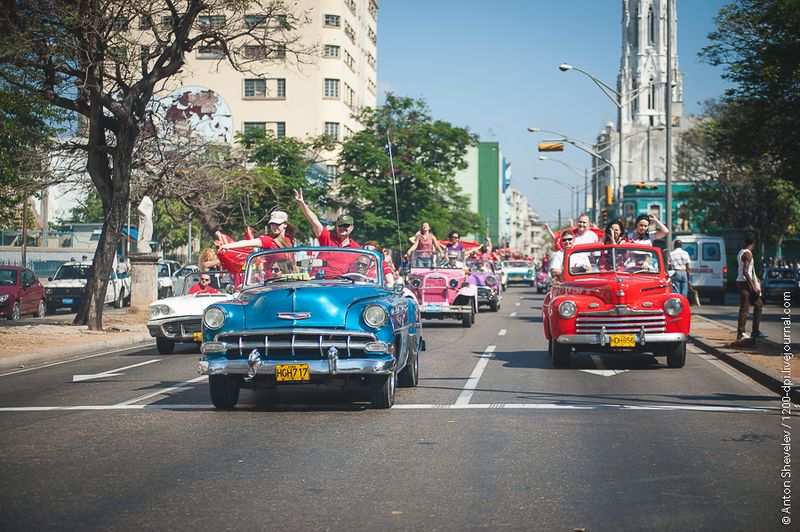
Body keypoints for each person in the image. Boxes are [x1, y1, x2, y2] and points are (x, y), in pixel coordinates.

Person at [736, 232, 766, 342]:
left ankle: (755, 331)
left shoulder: (742, 252)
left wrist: (756, 278)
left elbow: (749, 270)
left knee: (758, 304)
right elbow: (745, 271)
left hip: (743, 282)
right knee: (745, 307)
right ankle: (741, 333)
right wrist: (753, 286)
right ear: (754, 242)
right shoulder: (748, 254)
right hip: (744, 283)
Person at [218, 210, 295, 252]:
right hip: (272, 280)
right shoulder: (268, 239)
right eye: (272, 224)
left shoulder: (289, 239)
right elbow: (247, 243)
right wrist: (228, 246)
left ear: (285, 224)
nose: (274, 227)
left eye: (277, 224)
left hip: (289, 279)